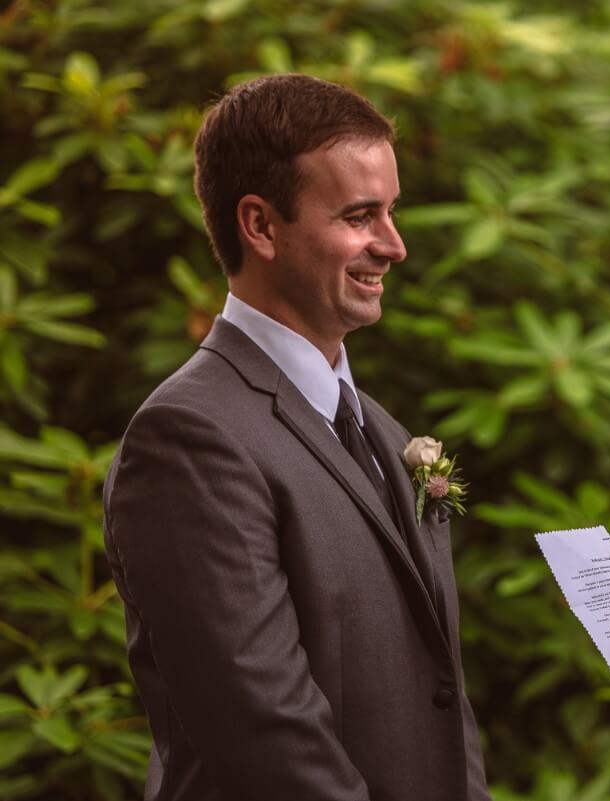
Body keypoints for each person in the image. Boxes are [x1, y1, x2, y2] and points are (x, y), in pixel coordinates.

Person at [103, 74, 491, 801]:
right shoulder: (190, 437)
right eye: (359, 215)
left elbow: (443, 698)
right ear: (260, 225)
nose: (394, 245)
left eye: (391, 212)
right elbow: (264, 732)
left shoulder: (384, 430)